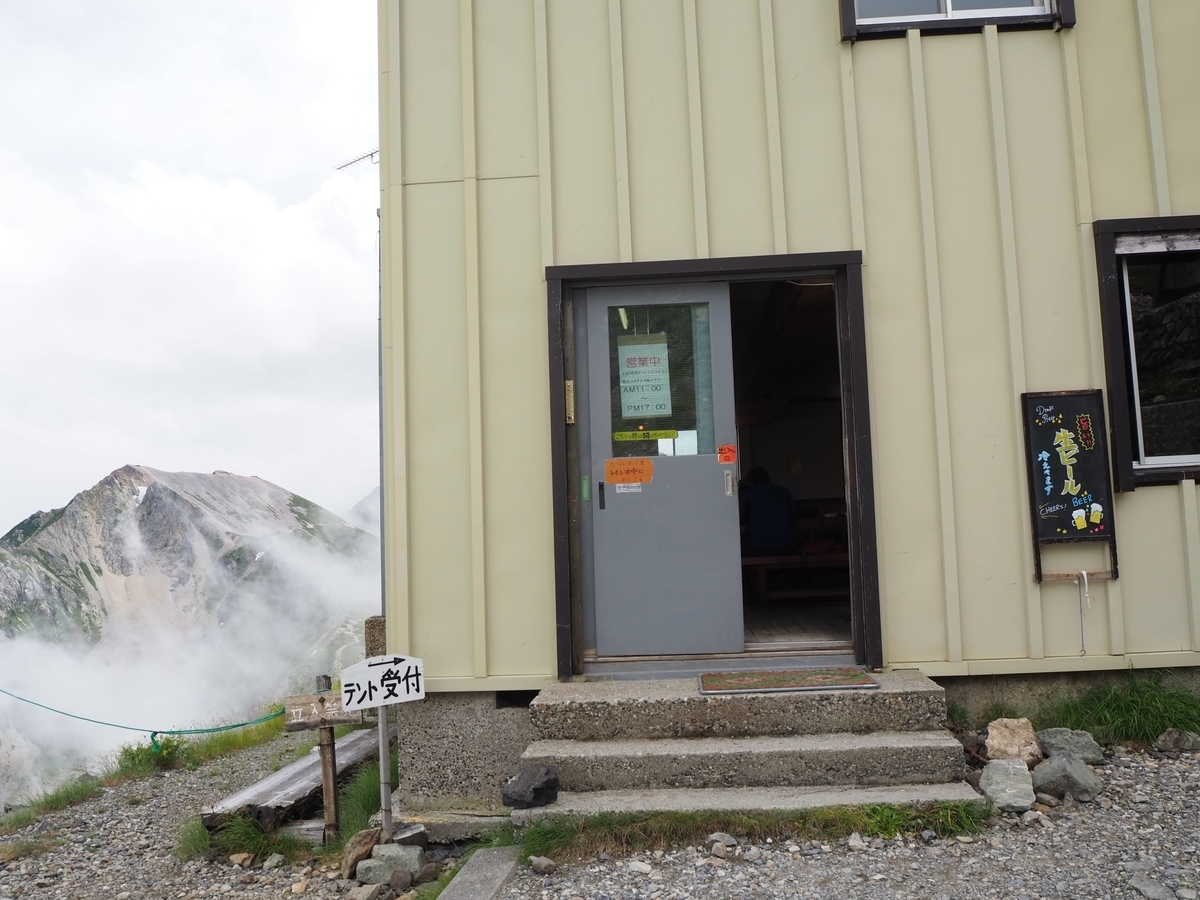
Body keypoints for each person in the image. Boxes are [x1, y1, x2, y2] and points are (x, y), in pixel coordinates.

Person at [739, 467, 794, 556]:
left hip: (756, 546)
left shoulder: (747, 495)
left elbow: (741, 520)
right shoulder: (784, 492)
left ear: (750, 481)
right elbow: (794, 518)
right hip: (785, 545)